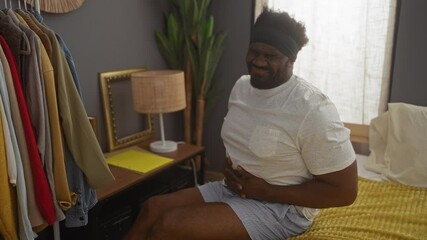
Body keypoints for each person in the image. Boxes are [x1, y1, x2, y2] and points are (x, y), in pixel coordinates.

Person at [123, 7, 358, 240]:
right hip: (233, 188)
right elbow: (245, 139)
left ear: (291, 58)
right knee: (151, 209)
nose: (258, 61)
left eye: (270, 56)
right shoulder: (242, 87)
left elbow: (345, 191)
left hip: (282, 208)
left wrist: (268, 191)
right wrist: (232, 165)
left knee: (170, 226)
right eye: (254, 51)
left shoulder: (313, 109)